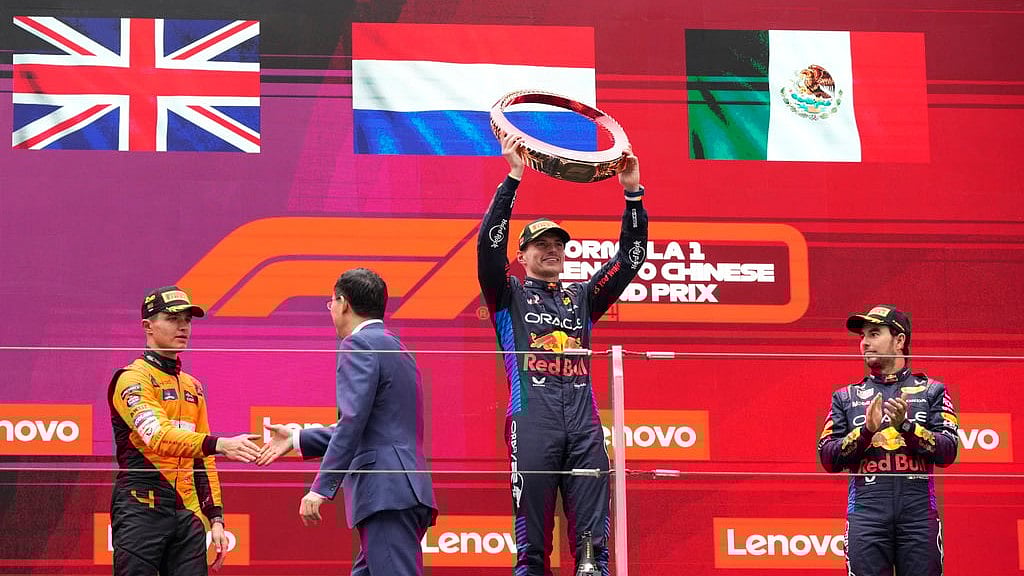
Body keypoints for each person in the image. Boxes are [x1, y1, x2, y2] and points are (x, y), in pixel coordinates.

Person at [477, 132, 648, 575]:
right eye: (542, 245)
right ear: (522, 255)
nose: (553, 250)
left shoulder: (583, 297)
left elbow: (629, 260)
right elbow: (488, 251)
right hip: (532, 422)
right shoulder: (507, 295)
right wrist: (512, 179)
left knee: (593, 550)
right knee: (533, 547)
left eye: (559, 244)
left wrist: (632, 195)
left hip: (585, 428)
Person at [257, 267, 437, 576]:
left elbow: (352, 422)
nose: (331, 310)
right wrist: (298, 438)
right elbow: (372, 427)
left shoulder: (359, 345)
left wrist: (320, 488)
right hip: (401, 491)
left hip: (384, 494)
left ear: (343, 303)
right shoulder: (395, 346)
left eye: (331, 303)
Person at [108, 286, 261, 575]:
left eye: (187, 320)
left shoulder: (193, 386)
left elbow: (203, 460)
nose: (183, 326)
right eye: (172, 318)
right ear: (148, 326)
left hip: (188, 514)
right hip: (141, 507)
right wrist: (221, 444)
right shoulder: (132, 379)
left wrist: (215, 517)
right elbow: (159, 437)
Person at [817, 304, 959, 576]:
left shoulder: (932, 391)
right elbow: (827, 457)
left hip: (919, 519)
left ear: (899, 340)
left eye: (873, 334)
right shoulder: (845, 397)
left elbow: (948, 452)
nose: (864, 343)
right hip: (866, 517)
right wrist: (865, 432)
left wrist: (906, 427)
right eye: (862, 337)